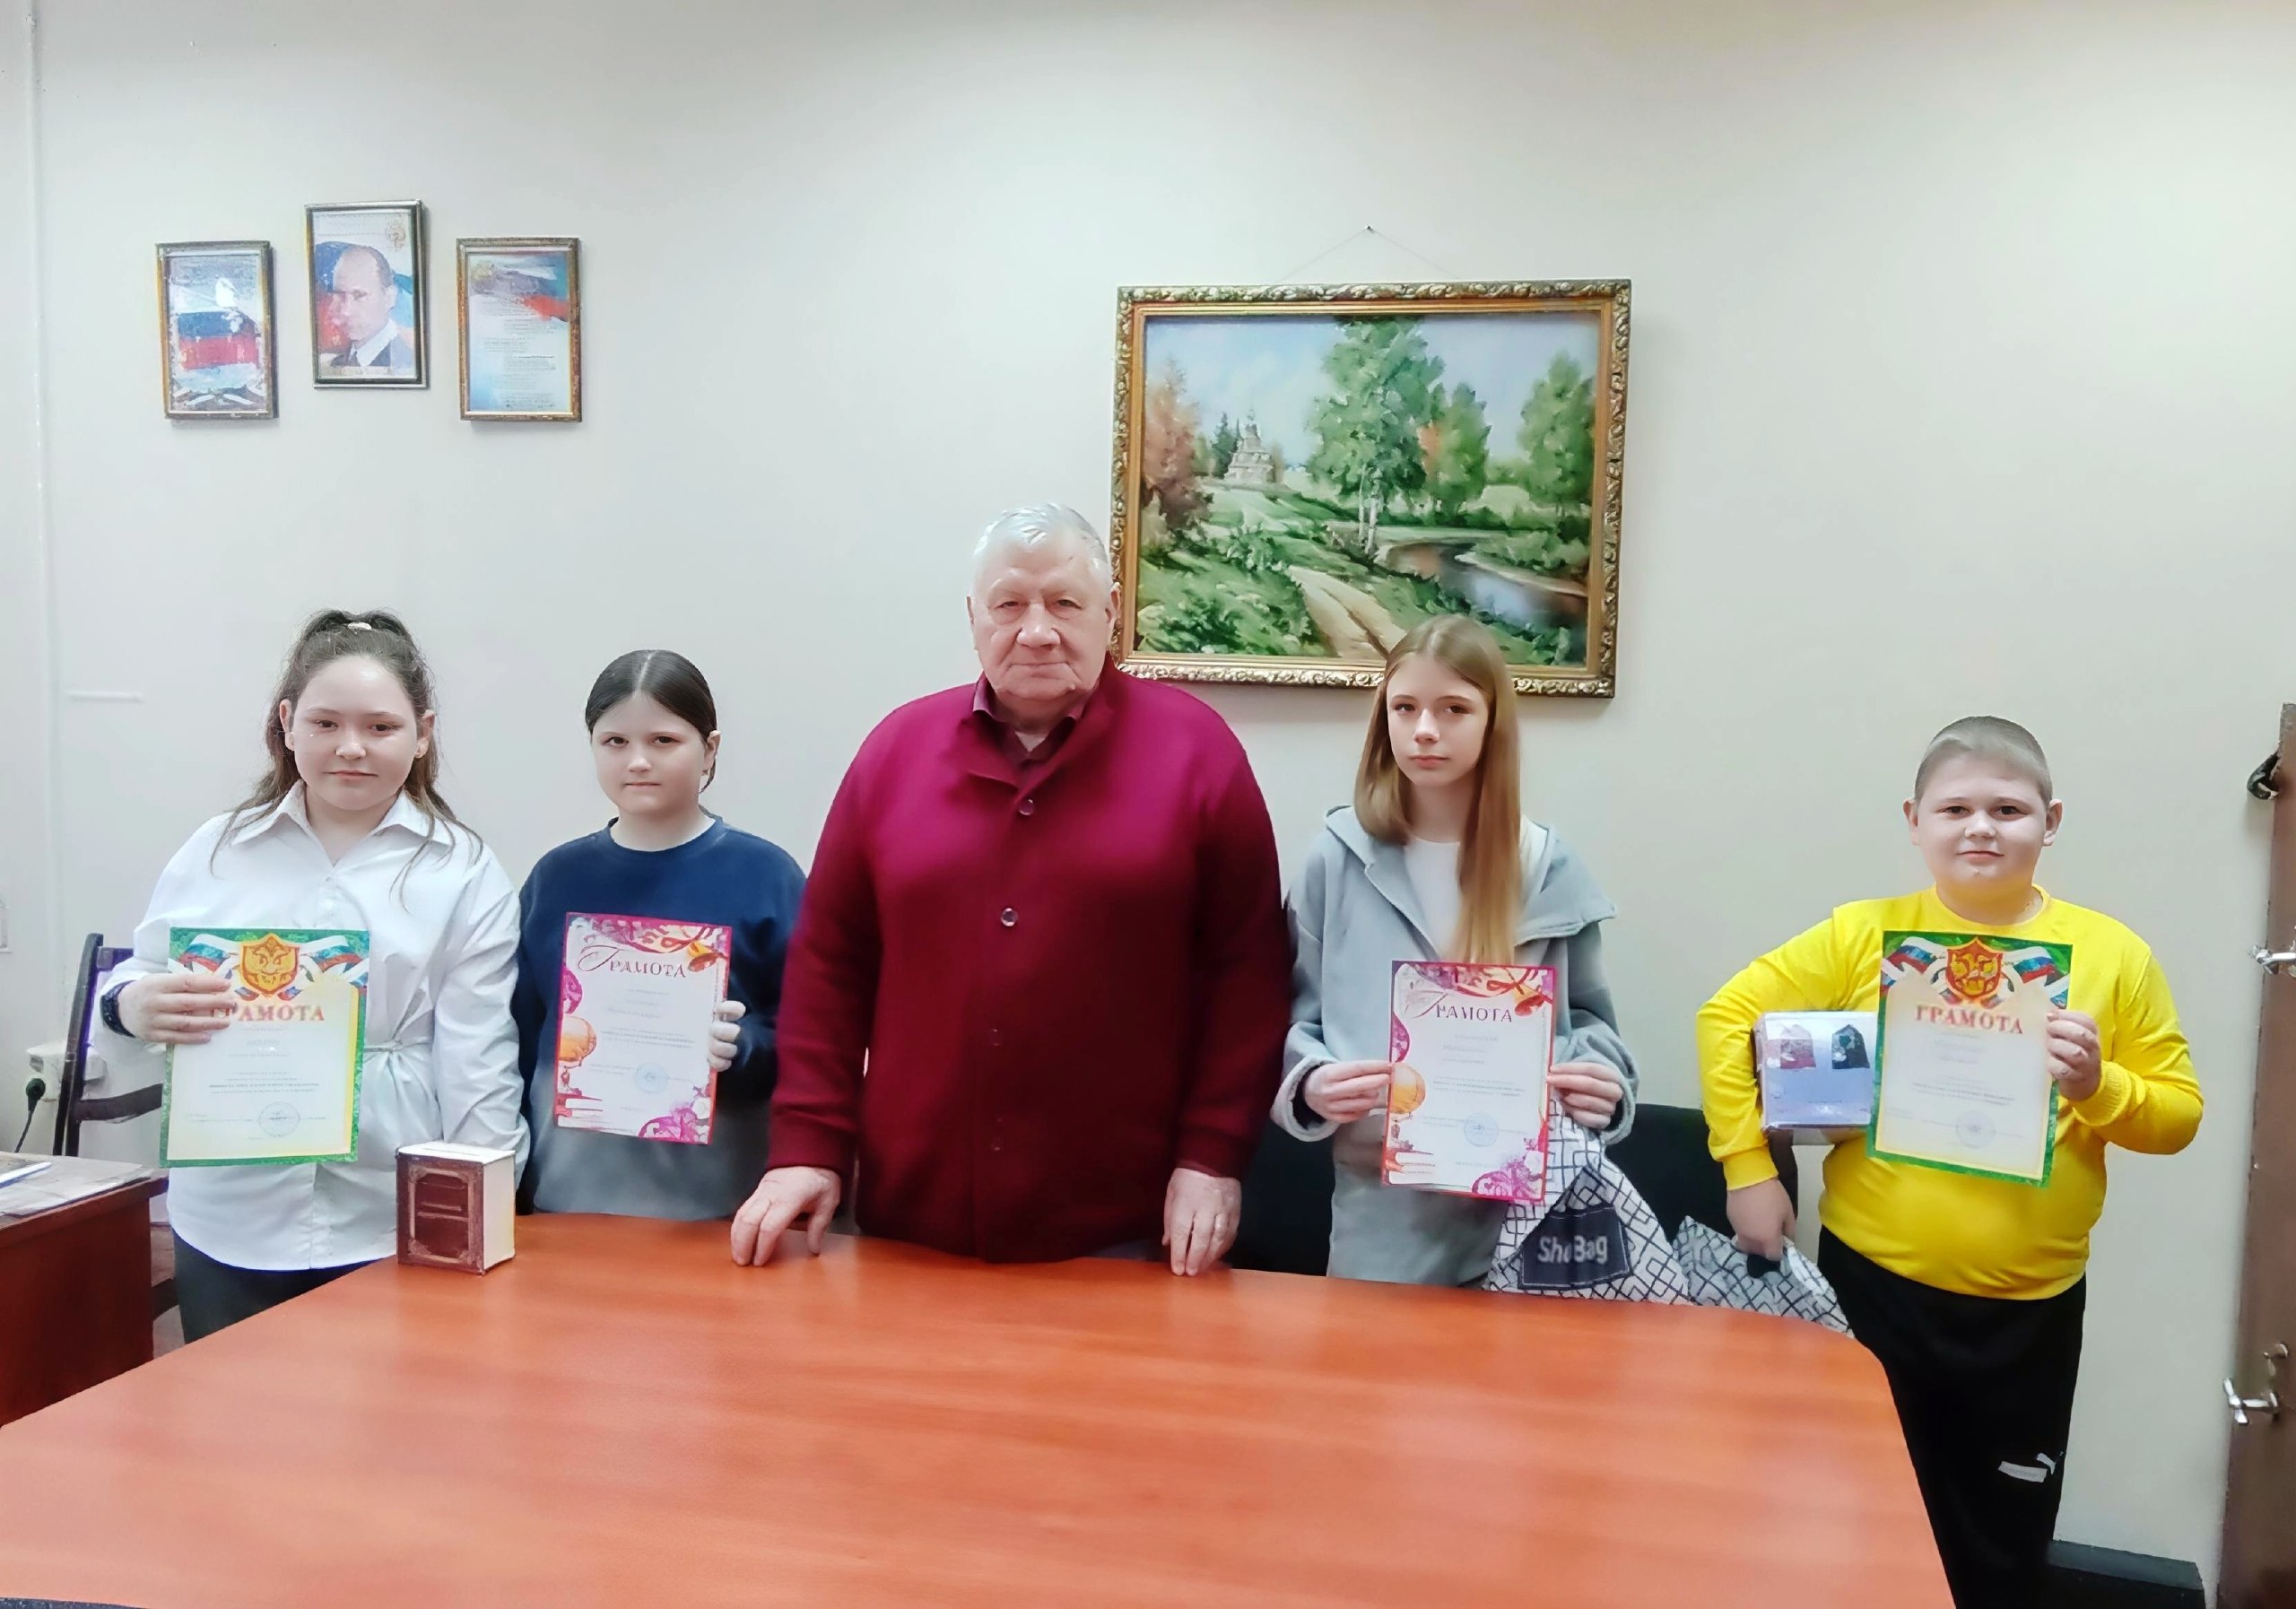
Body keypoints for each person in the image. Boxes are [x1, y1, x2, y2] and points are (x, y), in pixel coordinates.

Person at [1697, 717, 2202, 1609]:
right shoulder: (1865, 934)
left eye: (2007, 809)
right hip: (1871, 1291)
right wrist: (1748, 1170)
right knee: (1850, 1523)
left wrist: (2100, 1085)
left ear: (2050, 821)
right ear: (1914, 820)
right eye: (1956, 808)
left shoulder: (2113, 955)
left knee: (1998, 1546)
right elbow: (1726, 1017)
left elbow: (2179, 1118)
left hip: (2028, 1314)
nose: (1980, 828)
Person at [729, 503, 1291, 1274]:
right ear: (973, 617)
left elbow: (1247, 975)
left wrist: (1213, 1155)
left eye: (1064, 603)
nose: (1037, 631)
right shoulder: (894, 753)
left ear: (1111, 612)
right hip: (911, 1220)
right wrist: (808, 1146)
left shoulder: (1199, 754)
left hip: (1125, 1225)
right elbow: (831, 964)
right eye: (1009, 605)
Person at [95, 610, 523, 1340]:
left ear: (423, 733)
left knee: (387, 1403)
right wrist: (131, 1004)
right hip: (230, 1212)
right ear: (287, 723)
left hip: (387, 1208)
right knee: (230, 1403)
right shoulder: (218, 849)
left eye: (381, 727)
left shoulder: (462, 869)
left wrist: (486, 1208)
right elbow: (140, 974)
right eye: (326, 723)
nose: (351, 748)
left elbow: (478, 1056)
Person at [1270, 615, 1636, 1286]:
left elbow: (1592, 1026)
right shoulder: (1336, 860)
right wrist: (1312, 1083)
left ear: (1493, 721)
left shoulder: (1545, 867)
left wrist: (1600, 1086)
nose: (1424, 730)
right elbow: (1291, 1019)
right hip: (1383, 1224)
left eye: (1453, 709)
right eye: (1404, 708)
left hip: (1529, 1222)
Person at [512, 650, 804, 1218]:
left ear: (709, 750)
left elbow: (812, 1040)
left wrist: (744, 1049)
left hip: (716, 1208)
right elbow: (520, 1035)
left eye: (664, 741)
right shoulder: (557, 878)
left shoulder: (766, 876)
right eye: (615, 742)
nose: (639, 761)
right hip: (567, 1201)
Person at [327, 245, 415, 374]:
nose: (346, 311)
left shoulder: (408, 363)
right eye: (339, 295)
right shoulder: (335, 365)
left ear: (389, 298)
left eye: (359, 295)